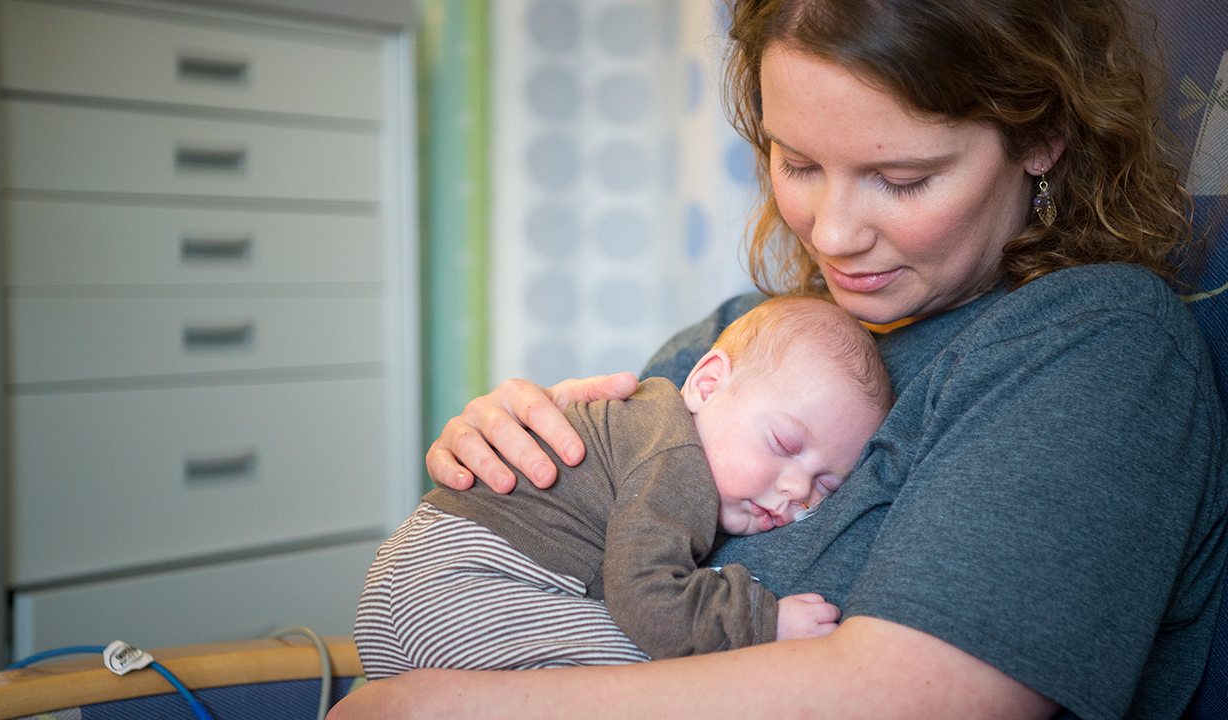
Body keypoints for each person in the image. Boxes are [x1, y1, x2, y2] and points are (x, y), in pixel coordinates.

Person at [331, 0, 1228, 717]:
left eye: (903, 179)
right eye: (796, 164)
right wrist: (511, 456)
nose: (834, 235)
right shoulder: (732, 336)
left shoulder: (1094, 344)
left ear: (1040, 141)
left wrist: (446, 709)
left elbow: (926, 699)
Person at [355, 296, 892, 678]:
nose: (798, 491)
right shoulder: (676, 456)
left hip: (411, 585)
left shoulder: (653, 426)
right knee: (651, 664)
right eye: (783, 443)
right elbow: (648, 598)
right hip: (462, 585)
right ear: (706, 385)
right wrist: (765, 620)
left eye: (827, 483)